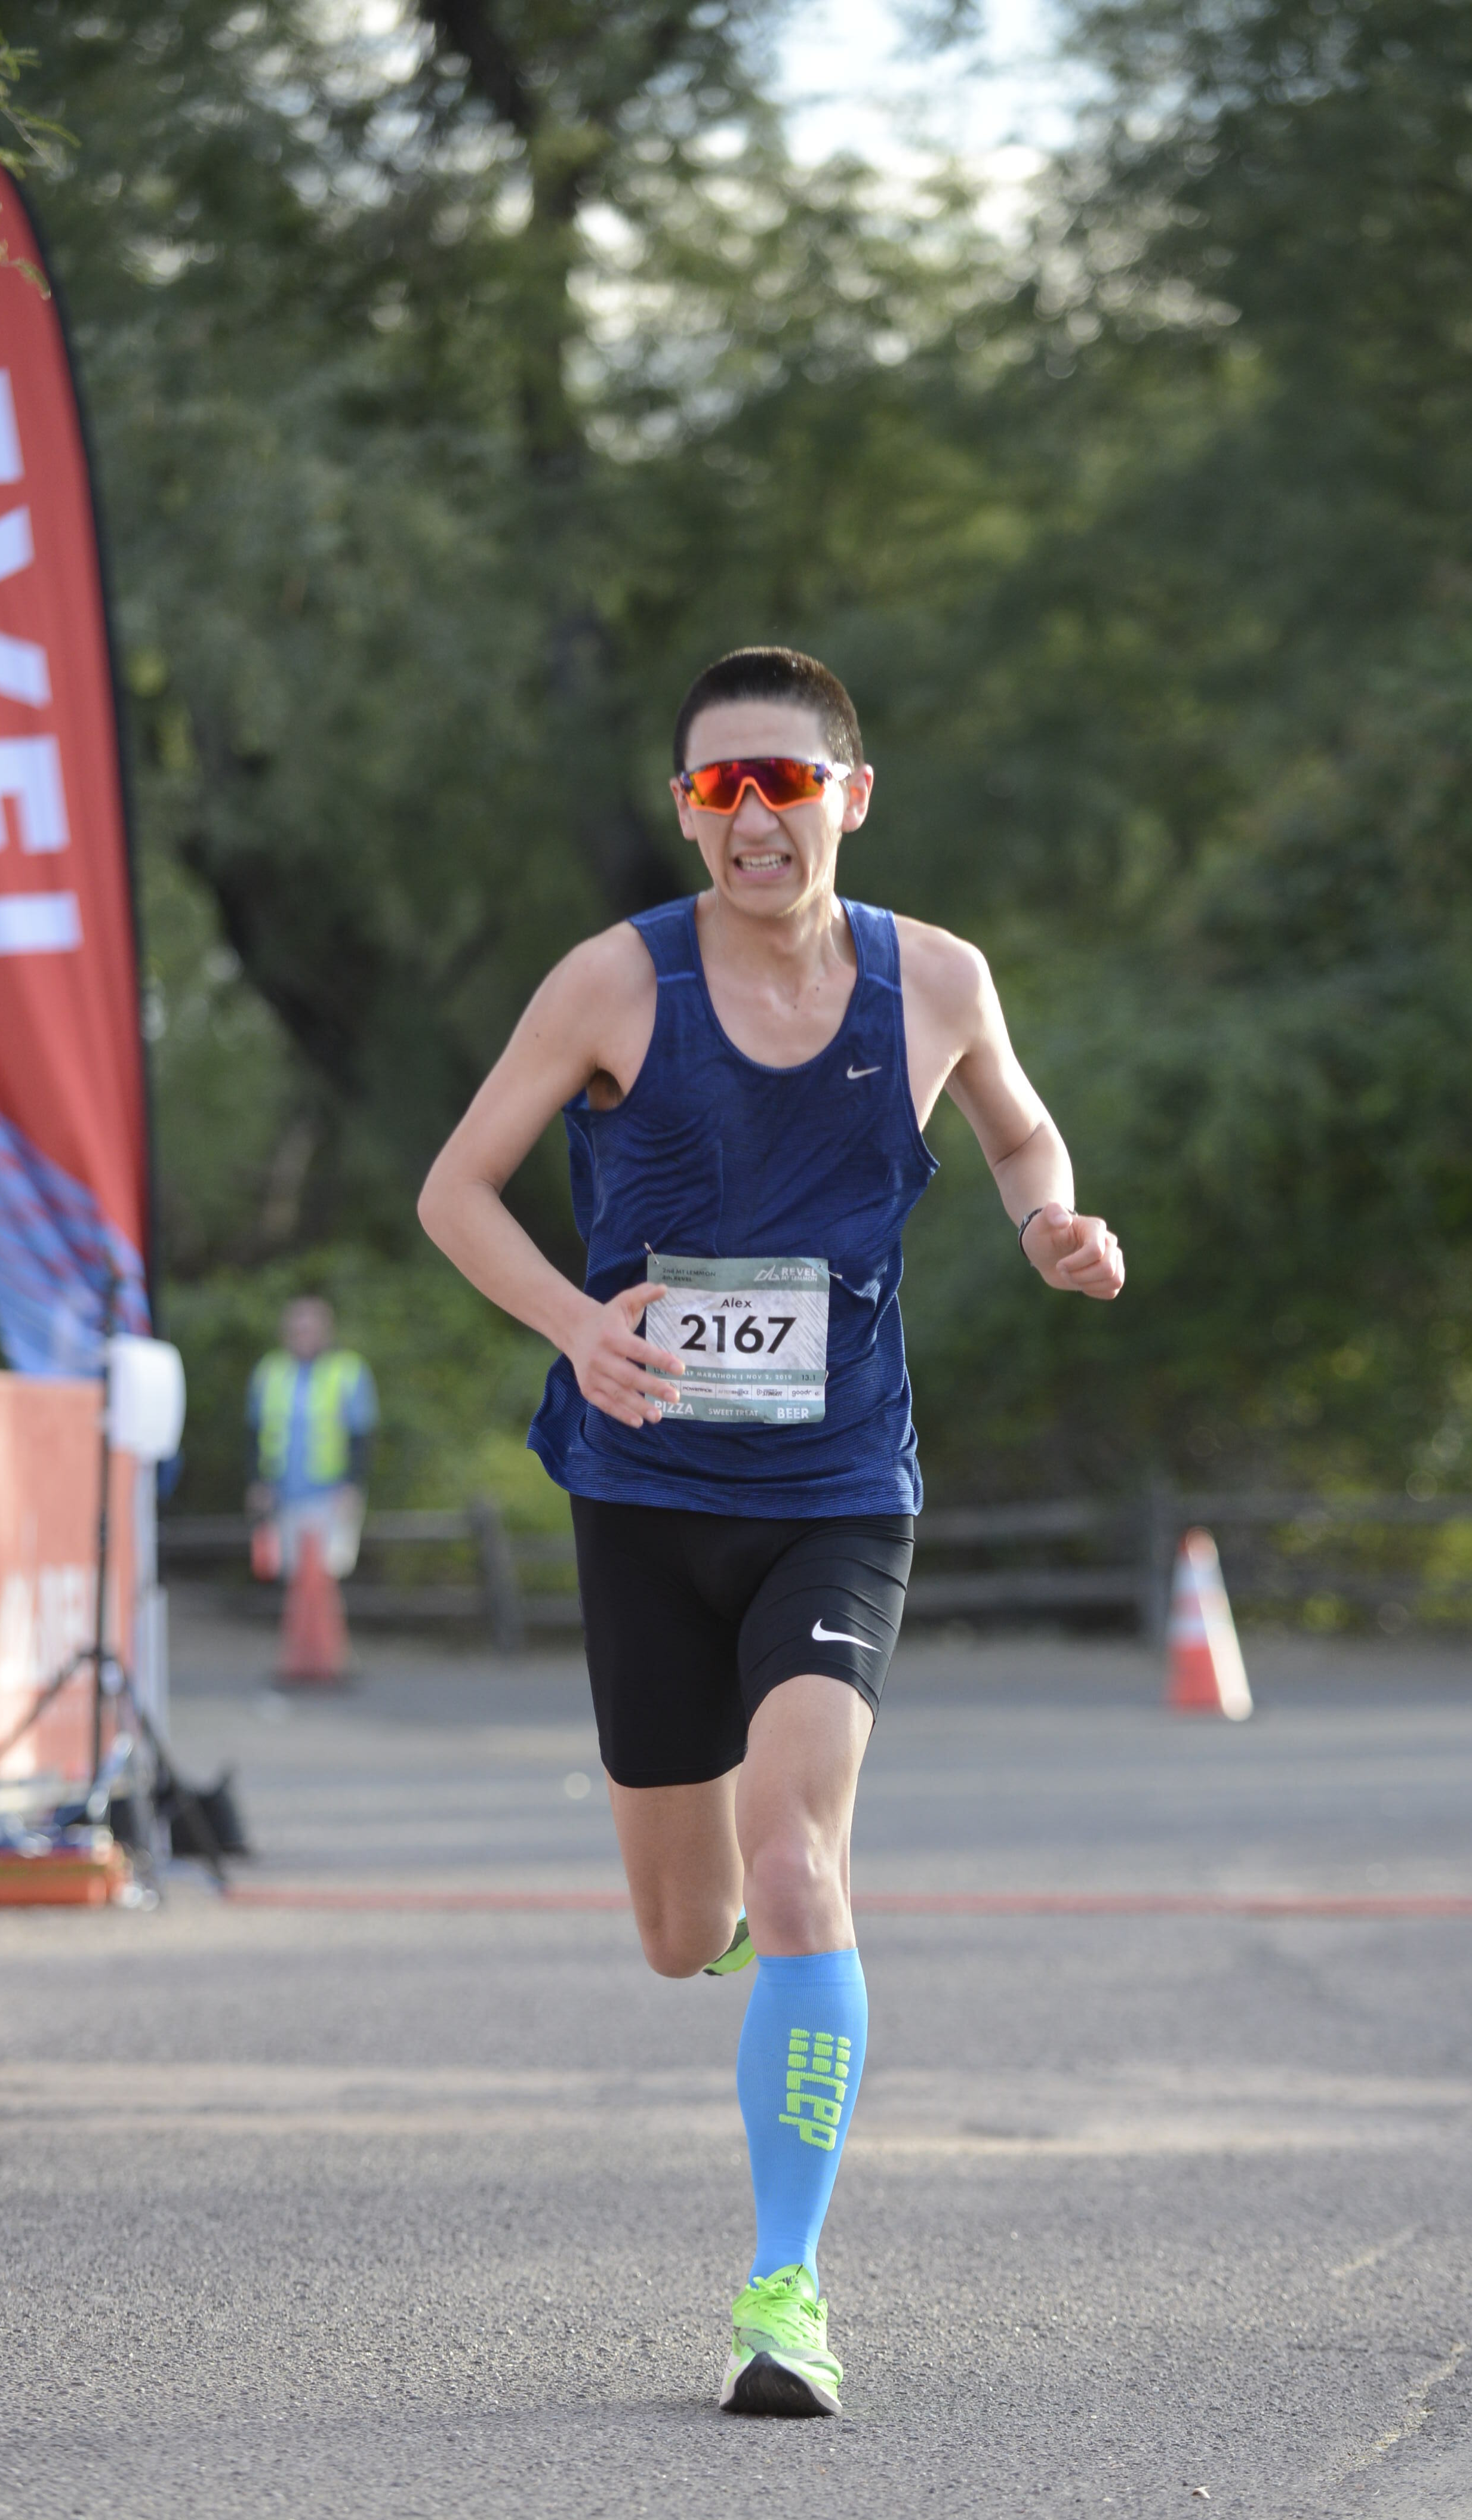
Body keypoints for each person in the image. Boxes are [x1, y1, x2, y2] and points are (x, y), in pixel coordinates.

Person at [417, 645, 1122, 2416]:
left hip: (836, 1492)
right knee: (682, 1928)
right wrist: (576, 1325)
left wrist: (1048, 1221)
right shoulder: (612, 982)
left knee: (799, 1858)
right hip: (644, 1489)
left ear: (847, 799)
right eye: (719, 786)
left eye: (784, 782)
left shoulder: (936, 979)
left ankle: (782, 2288)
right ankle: (740, 1944)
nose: (753, 816)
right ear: (685, 810)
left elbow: (1024, 1140)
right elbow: (452, 1190)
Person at [245, 1297, 377, 1581]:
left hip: (330, 1494)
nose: (302, 1337)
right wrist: (258, 1481)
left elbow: (362, 1435)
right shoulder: (269, 1370)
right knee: (291, 1575)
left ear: (327, 1332)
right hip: (282, 1494)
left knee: (325, 1575)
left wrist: (353, 1485)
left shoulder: (348, 1370)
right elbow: (254, 1433)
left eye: (309, 1330)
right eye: (297, 1330)